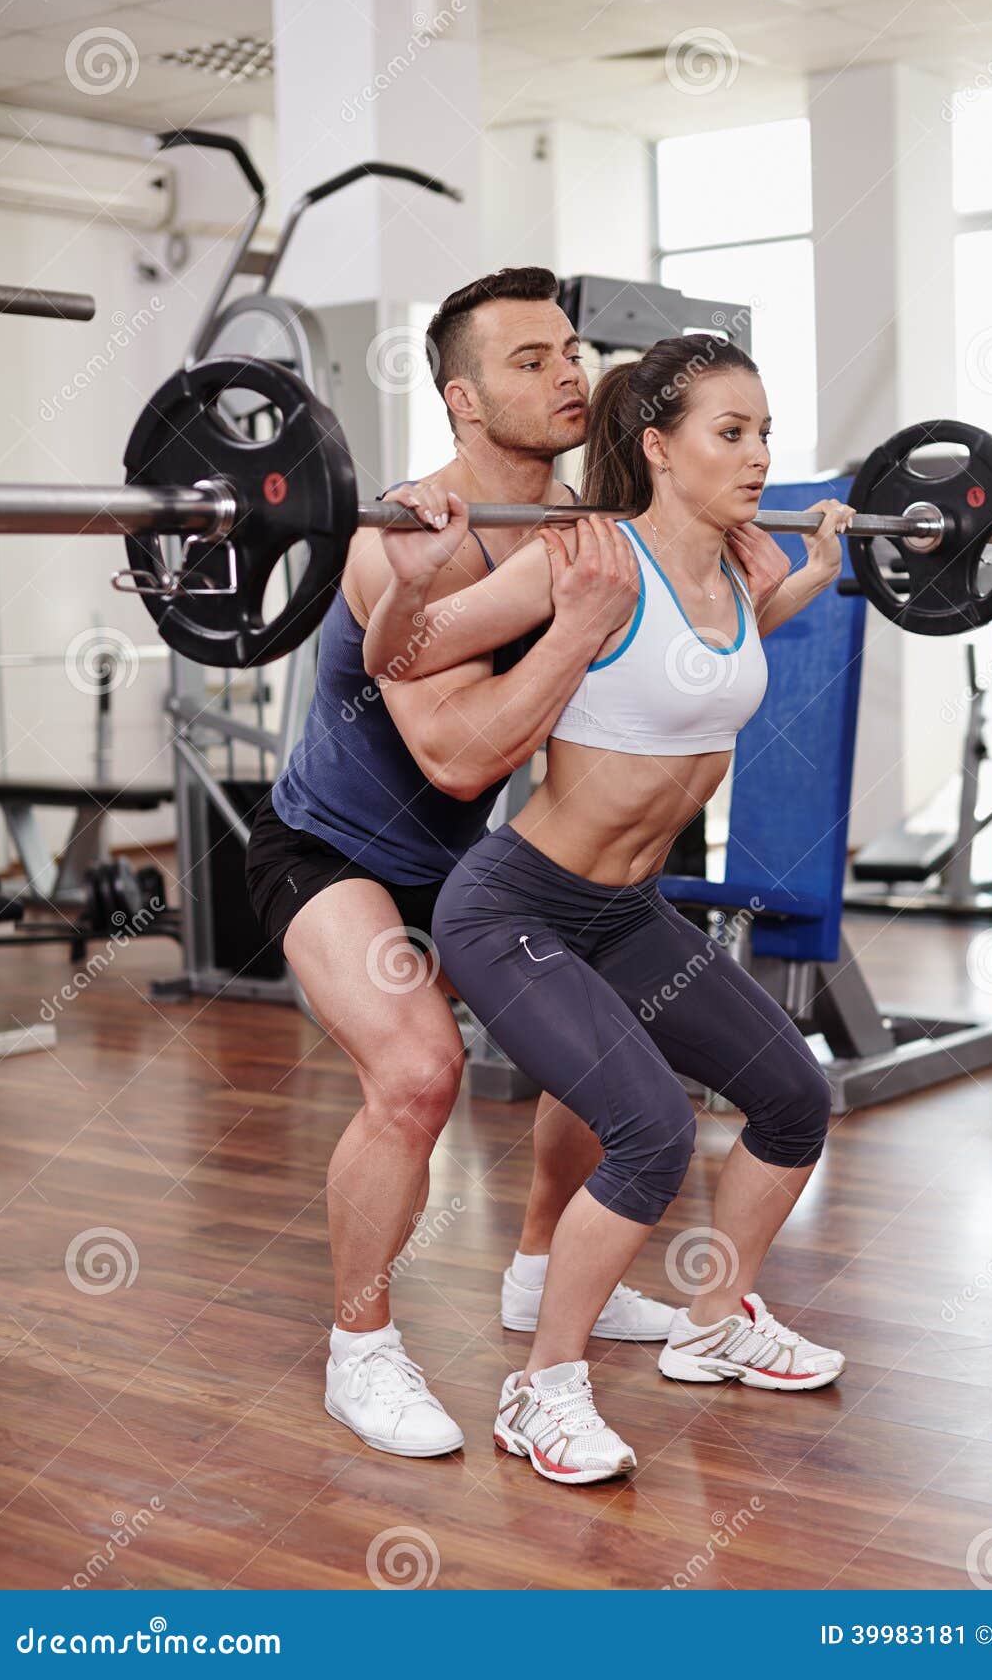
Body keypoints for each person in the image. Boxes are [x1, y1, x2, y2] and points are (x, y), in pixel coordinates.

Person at [366, 331, 855, 1484]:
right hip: (514, 907)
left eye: (765, 432)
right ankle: (542, 1392)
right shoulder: (585, 562)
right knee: (652, 1132)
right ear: (657, 446)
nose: (758, 455)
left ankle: (713, 1319)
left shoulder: (735, 573)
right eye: (730, 433)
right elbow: (407, 654)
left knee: (793, 1098)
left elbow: (703, 666)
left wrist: (810, 580)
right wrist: (416, 584)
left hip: (630, 912)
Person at [243, 267, 679, 1463]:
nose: (566, 374)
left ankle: (539, 1272)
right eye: (529, 360)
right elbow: (450, 757)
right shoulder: (400, 537)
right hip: (331, 853)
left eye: (568, 353)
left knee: (601, 1040)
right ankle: (360, 1350)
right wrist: (584, 627)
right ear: (460, 398)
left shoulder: (583, 524)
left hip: (473, 866)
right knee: (419, 1071)